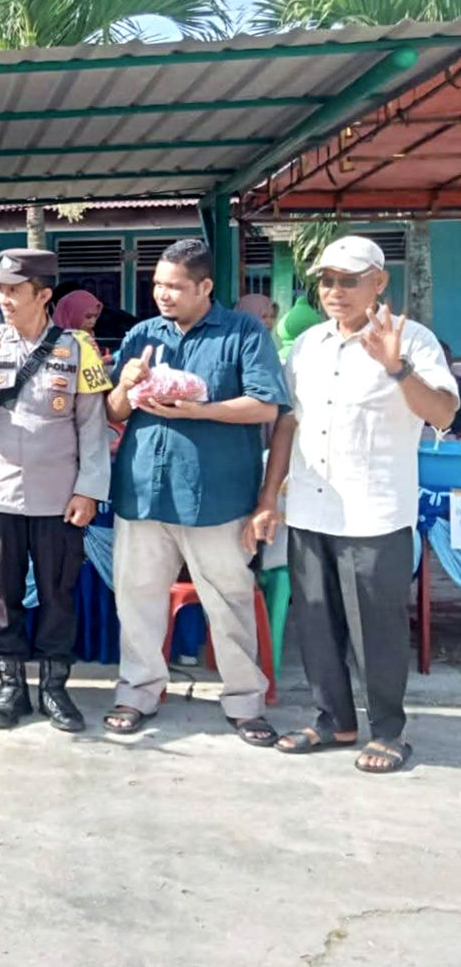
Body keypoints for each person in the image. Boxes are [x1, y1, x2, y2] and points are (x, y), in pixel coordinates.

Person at [246, 236, 459, 774]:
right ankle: (333, 719)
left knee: (375, 626)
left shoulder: (413, 340)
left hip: (374, 510)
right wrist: (270, 497)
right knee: (315, 619)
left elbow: (442, 414)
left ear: (378, 282)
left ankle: (388, 729)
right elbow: (288, 423)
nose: (335, 291)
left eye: (348, 280)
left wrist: (397, 369)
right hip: (311, 507)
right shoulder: (310, 345)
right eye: (327, 281)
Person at [101, 239, 288, 745]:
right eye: (158, 284)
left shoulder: (242, 333)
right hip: (143, 490)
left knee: (227, 599)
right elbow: (114, 412)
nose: (163, 294)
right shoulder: (142, 334)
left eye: (175, 287)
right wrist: (126, 384)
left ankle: (245, 700)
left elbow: (267, 406)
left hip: (215, 495)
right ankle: (137, 691)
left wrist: (200, 410)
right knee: (137, 597)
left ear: (205, 287)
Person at [0, 249, 112, 733]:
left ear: (42, 295)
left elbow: (93, 426)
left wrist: (88, 490)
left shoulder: (78, 348)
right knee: (2, 592)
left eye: (14, 290)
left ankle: (54, 689)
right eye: (0, 289)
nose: (4, 299)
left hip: (58, 495)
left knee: (59, 593)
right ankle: (10, 687)